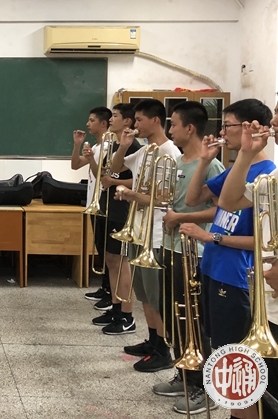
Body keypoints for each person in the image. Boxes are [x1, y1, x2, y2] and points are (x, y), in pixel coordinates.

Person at [206, 99, 278, 419]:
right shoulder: (272, 179)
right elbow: (229, 201)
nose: (273, 121)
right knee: (252, 386)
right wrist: (246, 155)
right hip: (269, 306)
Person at [152, 101, 223, 415]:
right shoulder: (178, 161)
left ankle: (203, 386)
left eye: (174, 125)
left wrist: (180, 218)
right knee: (172, 314)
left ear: (190, 128)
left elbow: (220, 210)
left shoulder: (212, 166)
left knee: (193, 319)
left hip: (193, 251)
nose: (170, 131)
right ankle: (184, 374)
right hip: (170, 246)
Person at [110, 99, 182, 368]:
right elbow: (115, 168)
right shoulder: (145, 150)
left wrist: (131, 195)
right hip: (139, 230)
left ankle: (164, 350)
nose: (135, 124)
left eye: (139, 119)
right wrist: (124, 146)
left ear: (155, 120)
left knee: (156, 295)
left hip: (157, 234)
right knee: (143, 294)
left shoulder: (170, 152)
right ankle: (153, 340)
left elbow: (164, 198)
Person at [87, 103, 141, 330]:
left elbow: (139, 180)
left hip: (122, 208)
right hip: (107, 205)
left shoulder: (133, 146)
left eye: (115, 115)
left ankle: (127, 316)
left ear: (127, 121)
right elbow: (104, 173)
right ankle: (115, 307)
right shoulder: (115, 145)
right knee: (110, 259)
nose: (111, 119)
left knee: (120, 261)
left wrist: (113, 181)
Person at [72, 107, 114, 311]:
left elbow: (102, 176)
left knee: (108, 251)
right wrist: (77, 145)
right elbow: (75, 165)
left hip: (105, 205)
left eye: (92, 120)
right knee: (100, 247)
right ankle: (105, 287)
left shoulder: (109, 147)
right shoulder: (96, 147)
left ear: (103, 124)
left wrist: (91, 159)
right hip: (92, 204)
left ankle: (110, 291)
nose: (88, 124)